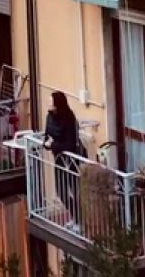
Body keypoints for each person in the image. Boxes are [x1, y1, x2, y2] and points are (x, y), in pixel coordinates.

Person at [43, 91, 85, 226]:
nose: (48, 103)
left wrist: (53, 144)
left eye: (51, 101)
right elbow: (47, 136)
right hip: (59, 159)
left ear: (57, 104)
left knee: (75, 191)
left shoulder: (68, 118)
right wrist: (47, 144)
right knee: (61, 191)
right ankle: (76, 217)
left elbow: (70, 144)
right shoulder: (49, 117)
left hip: (71, 160)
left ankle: (79, 221)